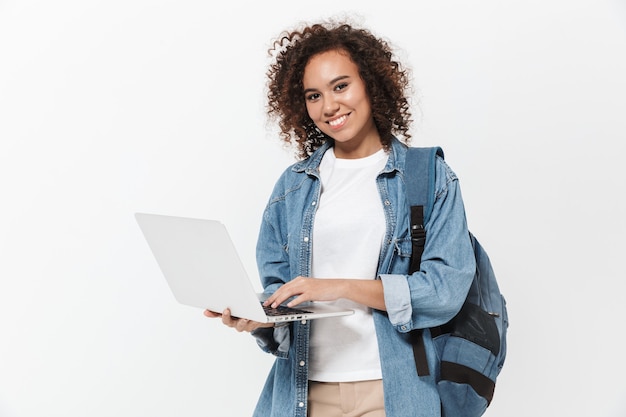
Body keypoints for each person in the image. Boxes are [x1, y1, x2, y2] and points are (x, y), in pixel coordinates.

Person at [204, 20, 476, 417]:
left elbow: (444, 290)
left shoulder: (427, 176)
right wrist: (259, 318)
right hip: (303, 393)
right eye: (314, 95)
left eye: (341, 86)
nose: (329, 106)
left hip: (392, 391)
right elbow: (283, 298)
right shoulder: (293, 187)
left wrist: (339, 286)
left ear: (371, 84)